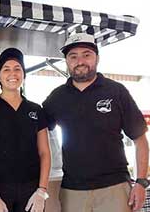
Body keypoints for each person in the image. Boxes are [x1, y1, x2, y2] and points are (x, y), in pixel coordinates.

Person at [42, 33, 149, 212]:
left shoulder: (116, 92)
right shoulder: (57, 97)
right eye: (73, 56)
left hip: (114, 189)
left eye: (86, 54)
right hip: (72, 191)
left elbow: (140, 140)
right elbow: (35, 129)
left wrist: (141, 182)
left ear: (97, 58)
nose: (80, 61)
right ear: (67, 61)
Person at [0, 48, 51, 212]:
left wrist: (42, 191)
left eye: (17, 69)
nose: (12, 73)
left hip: (31, 193)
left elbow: (45, 153)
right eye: (6, 69)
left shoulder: (36, 110)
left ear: (23, 74)